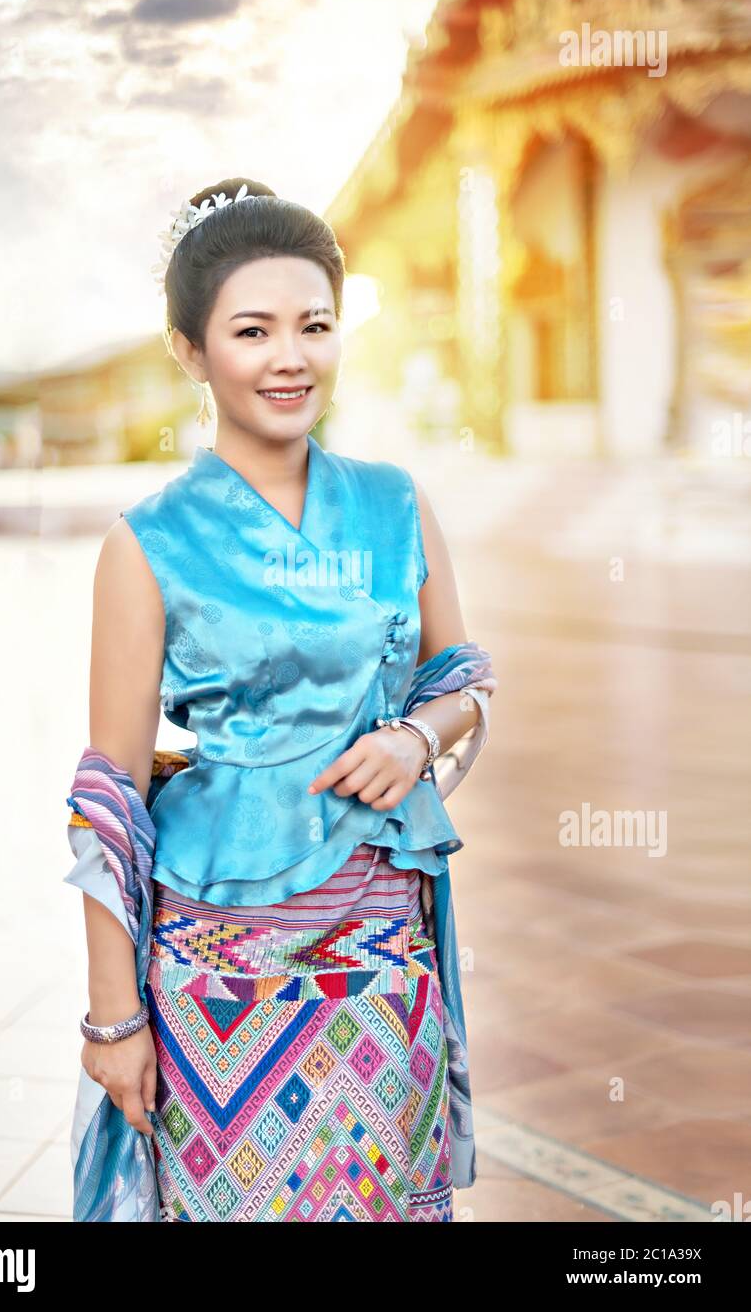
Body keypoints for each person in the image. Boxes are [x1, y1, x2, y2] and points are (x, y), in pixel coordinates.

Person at [68, 178, 496, 1222]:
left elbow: (464, 681)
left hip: (382, 948)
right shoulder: (146, 542)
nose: (289, 357)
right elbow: (110, 791)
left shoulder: (397, 503)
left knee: (384, 1199)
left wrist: (414, 735)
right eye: (252, 330)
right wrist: (114, 1018)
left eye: (315, 325)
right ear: (190, 348)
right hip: (222, 960)